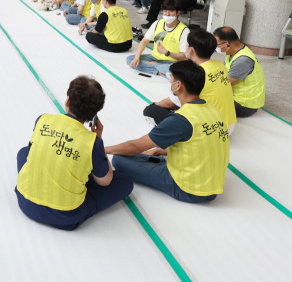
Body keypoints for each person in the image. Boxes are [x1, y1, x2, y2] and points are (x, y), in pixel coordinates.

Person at [15, 76, 133, 230]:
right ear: (94, 114)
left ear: (68, 101)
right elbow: (105, 181)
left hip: (25, 202)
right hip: (65, 216)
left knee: (24, 152)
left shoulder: (42, 119)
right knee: (124, 181)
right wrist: (98, 138)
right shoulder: (92, 142)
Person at [106, 60, 230, 203]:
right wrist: (160, 150)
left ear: (178, 85)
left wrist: (104, 150)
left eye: (171, 79)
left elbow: (135, 146)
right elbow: (201, 143)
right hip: (213, 186)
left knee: (119, 159)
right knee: (150, 153)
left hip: (189, 189)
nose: (169, 82)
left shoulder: (181, 119)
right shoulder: (212, 109)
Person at [143, 29, 237, 134]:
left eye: (186, 46)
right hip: (229, 125)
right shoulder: (219, 65)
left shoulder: (192, 74)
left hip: (210, 131)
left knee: (151, 110)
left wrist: (154, 105)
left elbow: (168, 103)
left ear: (191, 50)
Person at [127, 0, 190, 77]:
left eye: (170, 11)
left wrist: (167, 53)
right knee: (130, 59)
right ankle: (160, 70)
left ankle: (157, 68)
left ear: (178, 12)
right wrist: (137, 57)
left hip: (172, 61)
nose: (167, 14)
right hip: (154, 58)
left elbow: (184, 57)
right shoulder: (158, 23)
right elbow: (144, 41)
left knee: (179, 70)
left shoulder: (184, 30)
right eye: (165, 11)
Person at [213, 26, 266, 117]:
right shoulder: (233, 53)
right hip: (235, 97)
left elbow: (224, 84)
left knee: (205, 99)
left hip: (244, 105)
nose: (215, 47)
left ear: (227, 44)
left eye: (216, 44)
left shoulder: (242, 60)